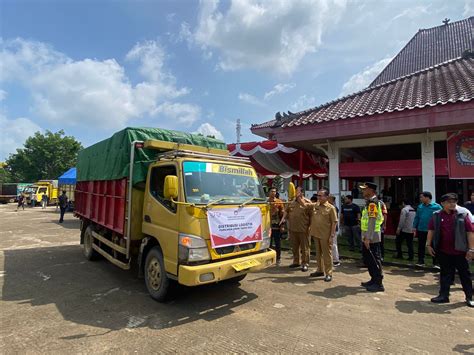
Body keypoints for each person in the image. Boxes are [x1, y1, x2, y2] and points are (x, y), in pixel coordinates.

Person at [426, 193, 474, 307]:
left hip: (460, 252)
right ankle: (443, 296)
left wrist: (471, 249)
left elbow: (470, 232)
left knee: (465, 275)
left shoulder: (462, 215)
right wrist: (428, 245)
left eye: (454, 202)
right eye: (449, 202)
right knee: (445, 274)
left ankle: (469, 297)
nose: (452, 204)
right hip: (444, 251)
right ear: (442, 204)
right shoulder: (437, 215)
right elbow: (431, 230)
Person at [305, 188, 338, 282]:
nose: (318, 197)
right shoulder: (316, 205)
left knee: (327, 255)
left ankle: (329, 273)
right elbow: (306, 204)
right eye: (317, 195)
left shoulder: (331, 208)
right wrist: (300, 196)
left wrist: (332, 236)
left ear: (326, 197)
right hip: (316, 234)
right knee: (318, 254)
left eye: (320, 195)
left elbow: (334, 223)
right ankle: (320, 270)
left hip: (325, 235)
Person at [359, 182, 385, 292]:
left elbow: (372, 221)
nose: (363, 191)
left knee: (374, 259)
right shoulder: (369, 203)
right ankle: (373, 279)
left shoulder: (373, 203)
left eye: (365, 189)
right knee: (368, 259)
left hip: (372, 236)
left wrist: (368, 238)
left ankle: (378, 283)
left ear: (371, 190)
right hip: (367, 235)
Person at [280, 186, 312, 271]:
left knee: (305, 248)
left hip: (304, 229)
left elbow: (312, 216)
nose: (296, 193)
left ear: (302, 193)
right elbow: (286, 212)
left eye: (298, 191)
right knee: (294, 247)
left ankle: (305, 263)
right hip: (293, 229)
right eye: (295, 191)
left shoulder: (307, 203)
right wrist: (283, 219)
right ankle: (296, 261)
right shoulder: (291, 203)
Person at [413, 191, 442, 267]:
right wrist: (414, 227)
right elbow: (417, 217)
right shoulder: (420, 207)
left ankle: (436, 262)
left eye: (422, 197)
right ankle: (420, 261)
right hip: (421, 229)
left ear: (427, 197)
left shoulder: (437, 207)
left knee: (433, 246)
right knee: (421, 246)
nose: (420, 199)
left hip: (432, 230)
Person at [268, 188, 284, 265]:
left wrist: (282, 225)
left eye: (275, 191)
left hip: (276, 225)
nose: (273, 193)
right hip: (267, 225)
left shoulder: (279, 202)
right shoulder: (265, 202)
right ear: (269, 192)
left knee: (278, 243)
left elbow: (282, 214)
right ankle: (268, 258)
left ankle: (278, 258)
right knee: (268, 243)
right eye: (272, 191)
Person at [328, 194, 341, 267]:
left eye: (328, 198)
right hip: (328, 228)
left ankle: (336, 260)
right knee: (330, 244)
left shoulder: (334, 208)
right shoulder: (330, 207)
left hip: (333, 229)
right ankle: (332, 259)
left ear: (331, 200)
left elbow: (334, 220)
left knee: (333, 244)